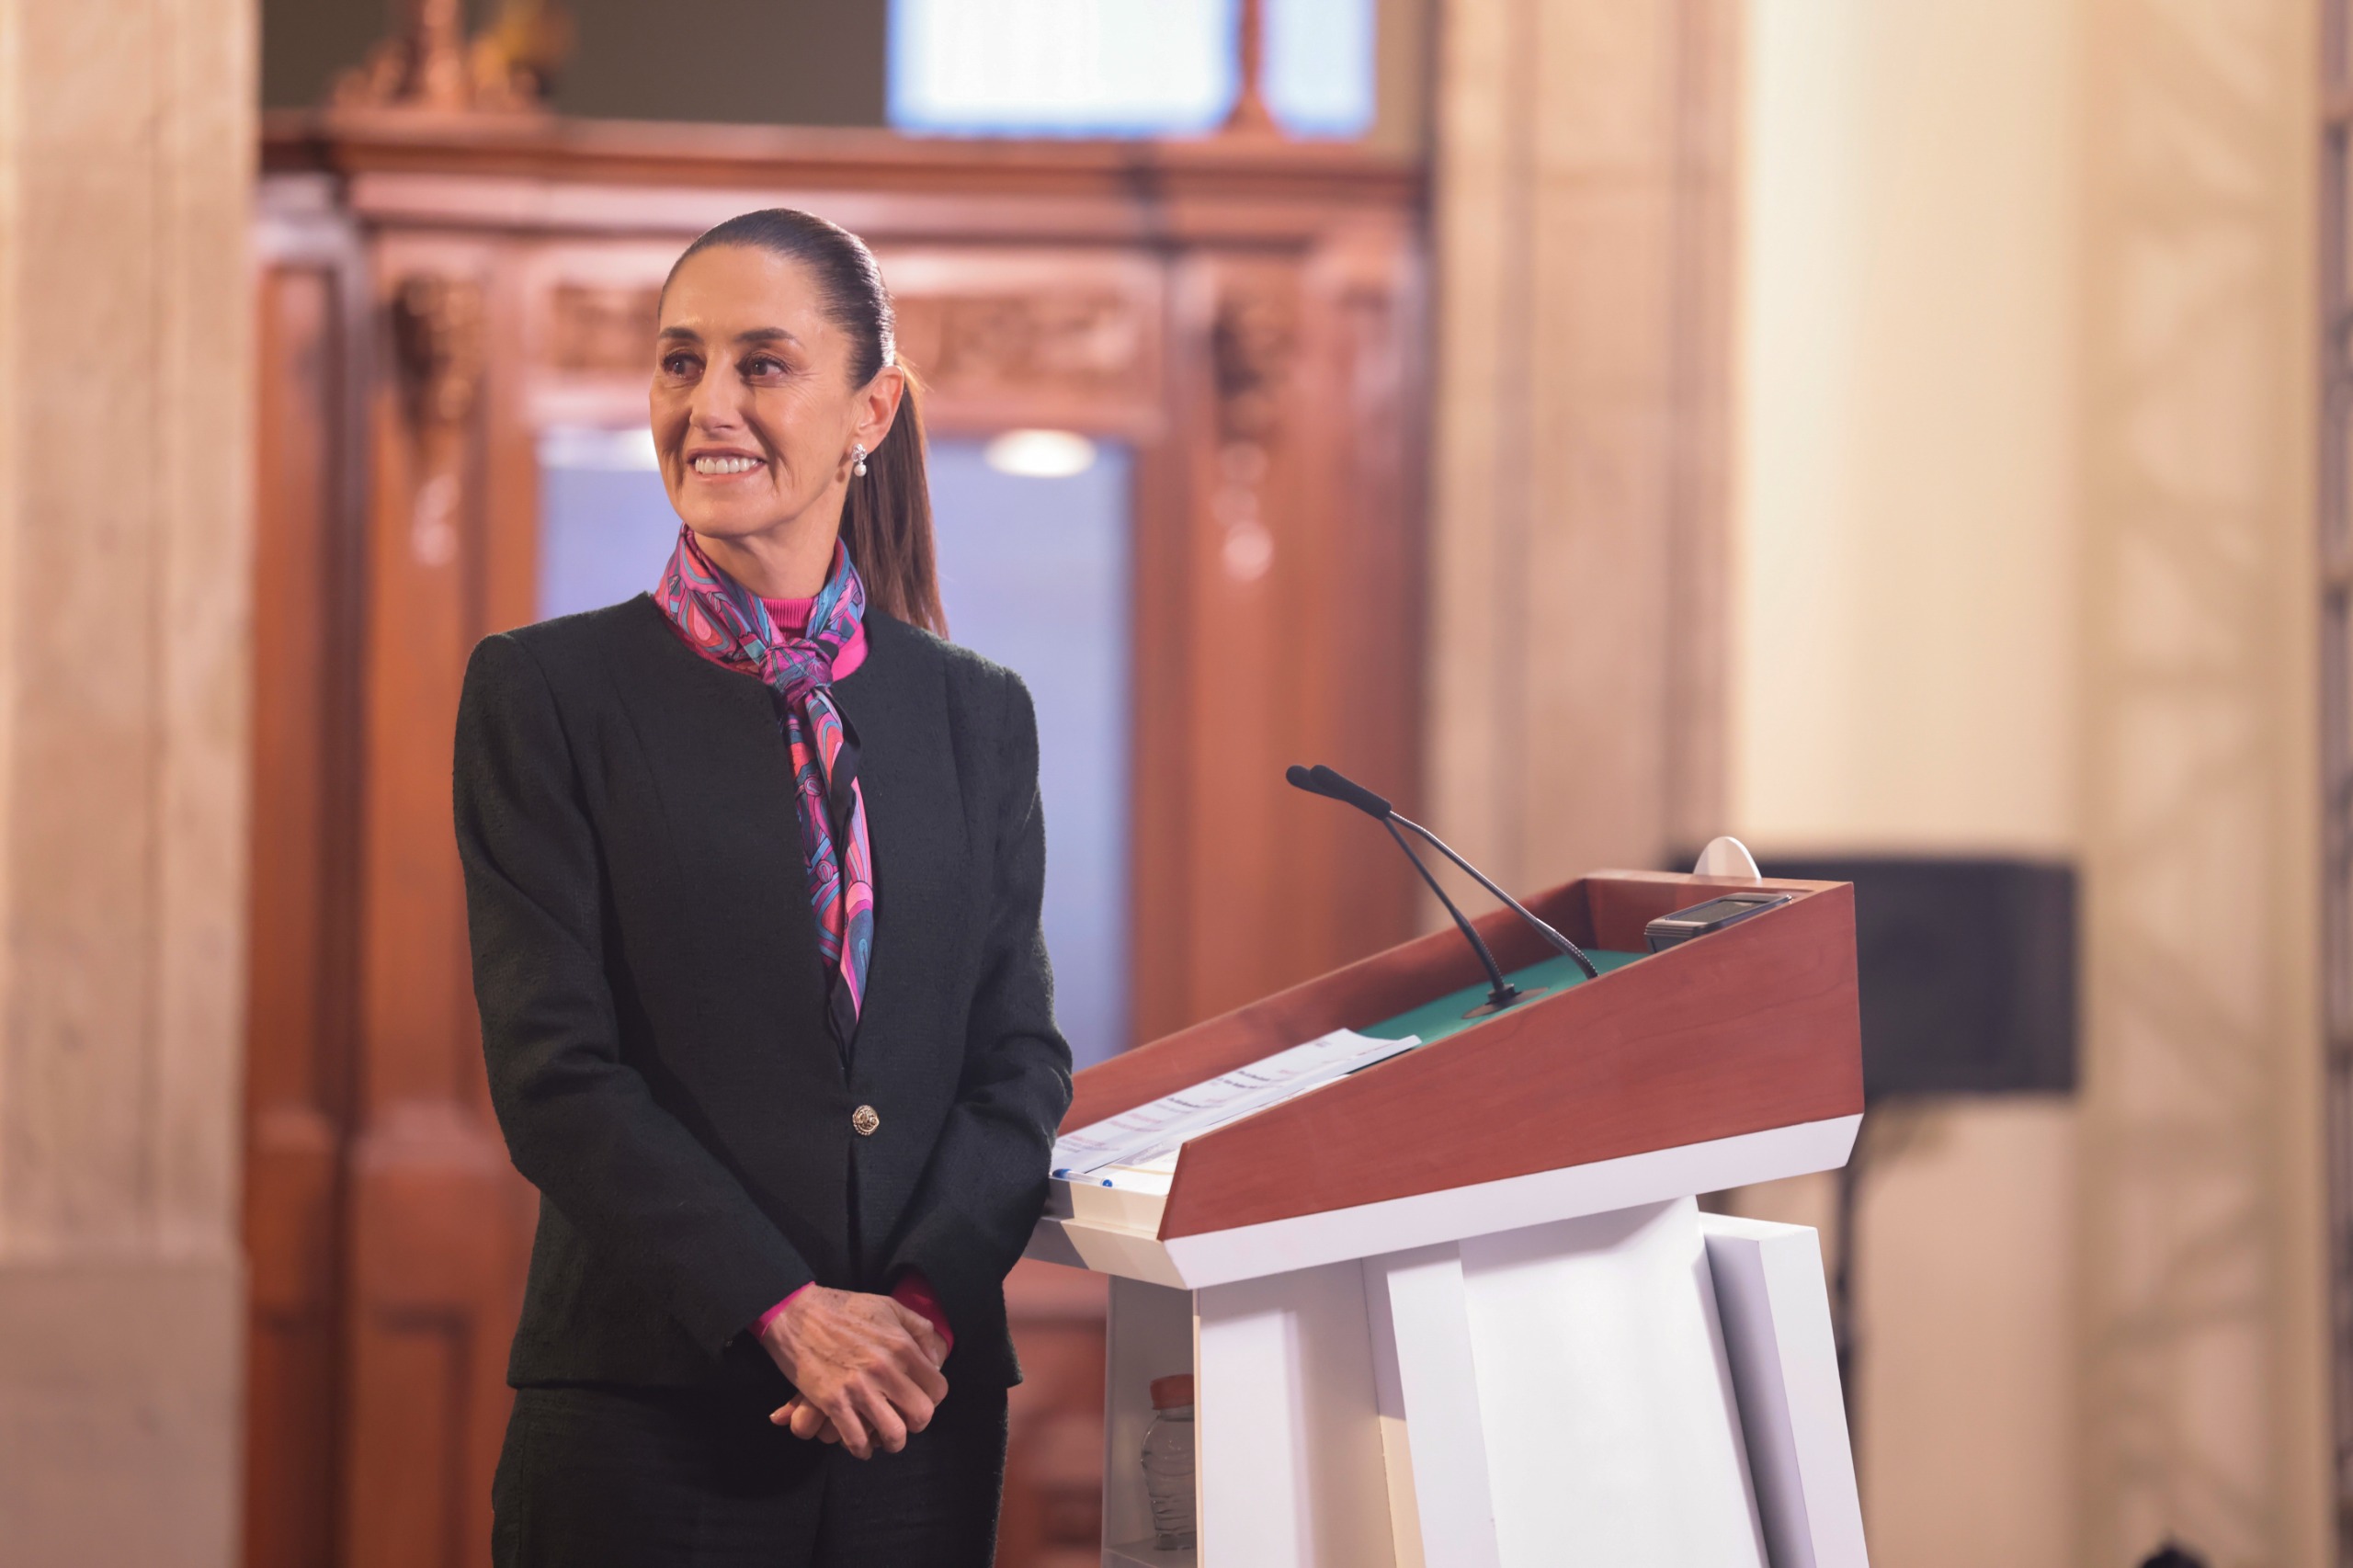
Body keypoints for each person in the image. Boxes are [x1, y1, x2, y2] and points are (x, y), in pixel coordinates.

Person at [453, 207, 1073, 1567]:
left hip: (915, 1426)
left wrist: (912, 1311)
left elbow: (1016, 1064)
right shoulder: (545, 693)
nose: (709, 405)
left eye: (762, 364)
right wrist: (788, 1308)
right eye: (680, 364)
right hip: (645, 1425)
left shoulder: (980, 715)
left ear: (872, 407)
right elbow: (556, 1075)